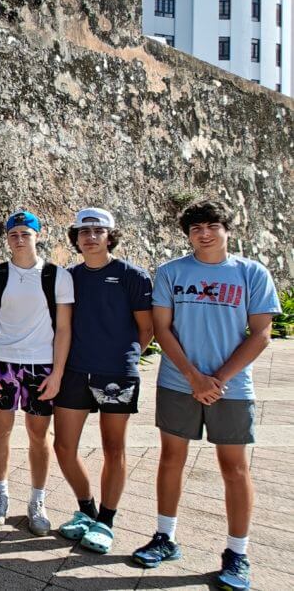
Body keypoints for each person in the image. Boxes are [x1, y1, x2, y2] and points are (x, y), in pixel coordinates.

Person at [131, 200, 279, 591]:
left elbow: (261, 333)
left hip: (231, 387)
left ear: (227, 229)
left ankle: (237, 553)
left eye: (212, 225)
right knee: (171, 459)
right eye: (196, 228)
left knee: (235, 468)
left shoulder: (252, 273)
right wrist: (194, 377)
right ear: (188, 234)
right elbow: (163, 329)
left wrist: (217, 379)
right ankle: (165, 536)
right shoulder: (171, 272)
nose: (205, 233)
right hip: (179, 382)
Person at [51, 208, 153, 554]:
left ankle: (107, 522)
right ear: (76, 238)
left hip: (116, 374)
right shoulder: (69, 277)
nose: (90, 236)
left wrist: (124, 355)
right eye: (83, 231)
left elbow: (147, 328)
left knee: (113, 449)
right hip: (75, 371)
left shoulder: (132, 276)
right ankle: (87, 511)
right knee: (63, 447)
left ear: (110, 235)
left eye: (98, 230)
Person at [0, 210, 74, 534]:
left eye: (25, 234)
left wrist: (57, 372)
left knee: (38, 435)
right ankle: (1, 494)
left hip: (40, 364)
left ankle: (37, 500)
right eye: (14, 234)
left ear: (37, 235)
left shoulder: (57, 276)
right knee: (0, 430)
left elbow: (63, 329)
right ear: (7, 238)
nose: (19, 239)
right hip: (3, 362)